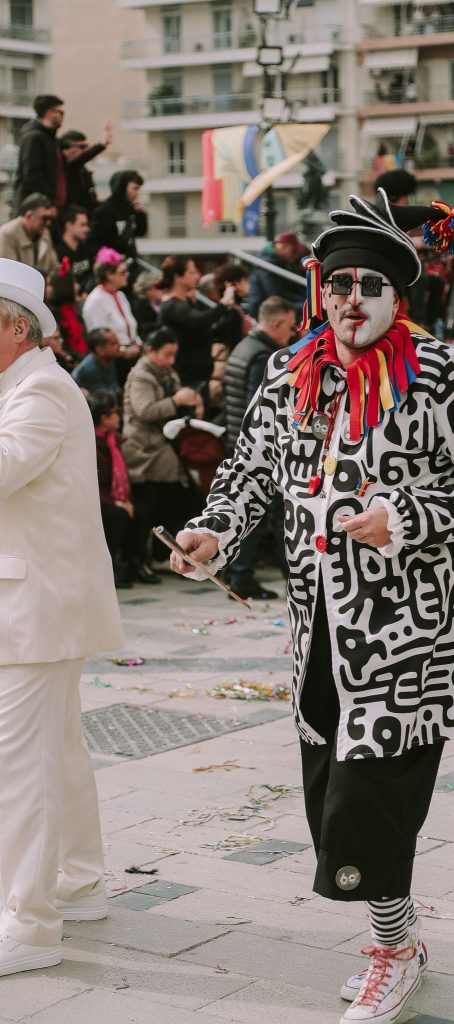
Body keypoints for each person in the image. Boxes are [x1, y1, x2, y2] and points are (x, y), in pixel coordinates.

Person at [171, 188, 454, 1024]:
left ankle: (390, 953)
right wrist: (210, 538)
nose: (350, 299)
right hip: (320, 631)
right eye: (338, 284)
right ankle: (398, 933)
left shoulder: (441, 372)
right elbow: (249, 476)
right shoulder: (288, 371)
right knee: (330, 794)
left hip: (413, 634)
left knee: (367, 801)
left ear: (397, 298)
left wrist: (404, 517)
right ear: (318, 290)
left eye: (369, 284)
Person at [0, 258, 123, 978]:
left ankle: (28, 922)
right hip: (34, 603)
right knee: (59, 754)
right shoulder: (26, 383)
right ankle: (78, 884)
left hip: (32, 609)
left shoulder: (41, 389)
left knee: (21, 768)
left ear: (17, 330)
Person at [222, 296, 298, 598]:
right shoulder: (263, 356)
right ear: (276, 323)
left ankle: (240, 573)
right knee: (258, 510)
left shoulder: (245, 346)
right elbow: (262, 409)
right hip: (257, 448)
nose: (292, 334)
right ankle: (241, 576)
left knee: (252, 508)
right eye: (291, 327)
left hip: (236, 438)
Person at [121, 327, 203, 554]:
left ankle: (165, 551)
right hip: (144, 447)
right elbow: (145, 410)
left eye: (173, 355)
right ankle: (144, 555)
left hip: (163, 443)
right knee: (153, 502)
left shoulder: (166, 372)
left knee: (172, 498)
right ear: (150, 351)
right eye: (166, 354)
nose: (171, 360)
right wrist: (176, 401)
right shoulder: (141, 376)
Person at [90, 390, 155, 588]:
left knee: (144, 511)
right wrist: (116, 501)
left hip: (116, 496)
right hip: (98, 500)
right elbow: (93, 482)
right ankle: (107, 566)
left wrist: (125, 499)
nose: (119, 416)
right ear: (104, 418)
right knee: (118, 516)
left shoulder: (114, 439)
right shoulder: (92, 442)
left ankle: (133, 563)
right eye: (114, 412)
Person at [158, 255, 235, 389]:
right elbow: (199, 320)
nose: (198, 275)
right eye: (192, 272)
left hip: (197, 373)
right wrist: (224, 302)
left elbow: (205, 323)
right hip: (186, 377)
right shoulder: (171, 305)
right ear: (178, 276)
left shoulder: (185, 302)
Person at [82, 248, 142, 357]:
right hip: (114, 359)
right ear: (109, 275)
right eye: (123, 272)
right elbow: (98, 340)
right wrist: (123, 351)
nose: (127, 274)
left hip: (132, 353)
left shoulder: (120, 295)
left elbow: (131, 329)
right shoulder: (95, 300)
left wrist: (137, 343)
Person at [13, 94, 66, 213]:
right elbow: (32, 176)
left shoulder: (50, 139)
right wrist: (50, 201)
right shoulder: (34, 137)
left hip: (46, 207)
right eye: (60, 112)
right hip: (36, 210)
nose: (62, 116)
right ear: (49, 112)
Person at [89, 170, 148, 262]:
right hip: (113, 266)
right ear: (123, 187)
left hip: (131, 262)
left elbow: (141, 232)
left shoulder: (131, 208)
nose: (137, 193)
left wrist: (141, 215)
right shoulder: (104, 210)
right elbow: (94, 242)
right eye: (135, 188)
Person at [247, 231, 306, 319]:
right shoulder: (266, 264)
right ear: (283, 246)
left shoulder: (281, 261)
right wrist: (306, 301)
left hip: (275, 304)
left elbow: (294, 289)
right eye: (293, 251)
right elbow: (276, 294)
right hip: (263, 309)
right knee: (310, 308)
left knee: (312, 306)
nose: (293, 255)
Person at [60, 125, 113, 212]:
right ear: (66, 149)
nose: (85, 150)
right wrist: (102, 144)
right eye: (82, 147)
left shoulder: (83, 171)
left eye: (86, 147)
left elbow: (91, 201)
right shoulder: (64, 167)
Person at [0, 193, 58, 273]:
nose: (48, 223)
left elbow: (54, 266)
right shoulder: (7, 234)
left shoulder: (44, 233)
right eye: (44, 218)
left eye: (50, 218)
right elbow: (9, 272)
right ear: (28, 216)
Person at [46, 260, 88, 362]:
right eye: (74, 283)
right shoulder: (54, 316)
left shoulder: (75, 310)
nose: (78, 286)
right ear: (64, 288)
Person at [71, 328, 120, 397]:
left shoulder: (109, 358)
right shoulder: (88, 370)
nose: (119, 345)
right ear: (100, 350)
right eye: (113, 343)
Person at [55, 206, 93, 293]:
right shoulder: (58, 252)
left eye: (87, 225)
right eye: (82, 225)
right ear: (69, 226)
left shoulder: (86, 247)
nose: (87, 229)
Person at [131, 270, 163, 341]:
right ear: (147, 290)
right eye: (159, 286)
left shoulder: (166, 303)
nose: (163, 289)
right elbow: (143, 330)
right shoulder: (138, 308)